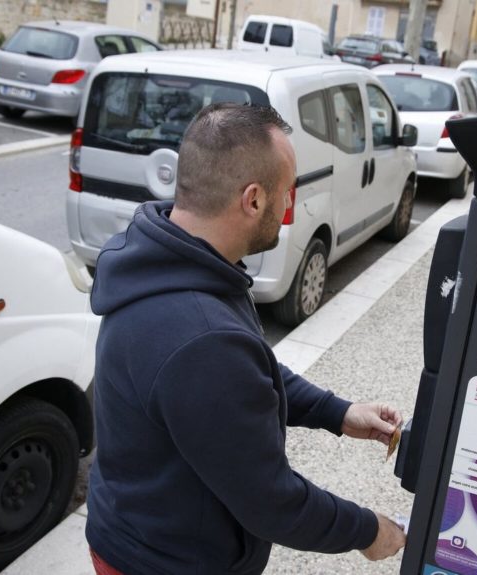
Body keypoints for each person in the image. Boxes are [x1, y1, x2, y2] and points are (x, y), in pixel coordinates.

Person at [85, 103, 407, 575]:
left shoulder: (172, 260)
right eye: (288, 191)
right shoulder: (201, 338)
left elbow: (250, 371)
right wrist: (370, 531)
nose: (290, 206)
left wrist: (337, 412)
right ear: (253, 199)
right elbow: (272, 502)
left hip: (136, 528)